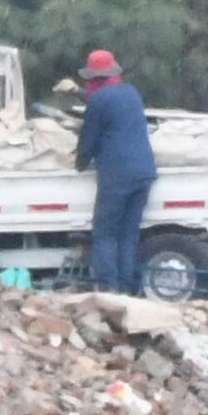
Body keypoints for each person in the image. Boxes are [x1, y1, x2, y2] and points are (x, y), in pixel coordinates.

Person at [78, 46, 157, 293]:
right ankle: (127, 287)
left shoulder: (98, 100)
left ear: (93, 78)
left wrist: (79, 164)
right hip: (144, 171)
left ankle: (108, 287)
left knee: (104, 234)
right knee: (128, 234)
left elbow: (88, 140)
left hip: (117, 175)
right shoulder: (130, 92)